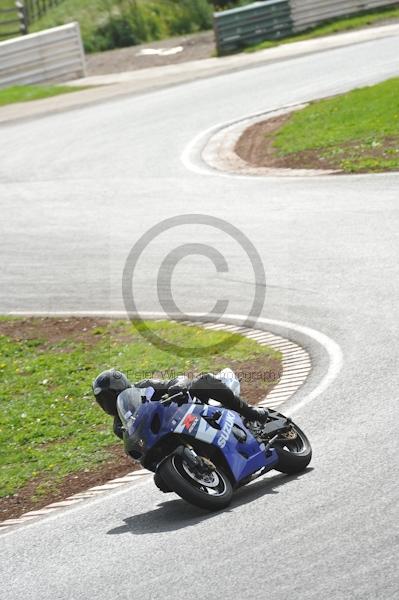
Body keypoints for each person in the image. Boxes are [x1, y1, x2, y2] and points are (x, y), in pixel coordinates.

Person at [92, 368, 269, 440]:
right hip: (168, 437)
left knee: (204, 381)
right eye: (105, 400)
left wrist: (176, 388)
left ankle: (250, 412)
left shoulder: (144, 387)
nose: (110, 402)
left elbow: (178, 379)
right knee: (162, 481)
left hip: (188, 411)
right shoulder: (119, 426)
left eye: (112, 396)